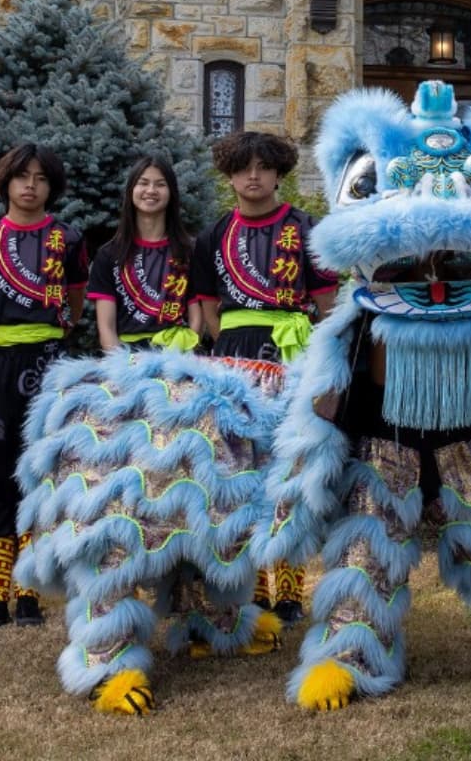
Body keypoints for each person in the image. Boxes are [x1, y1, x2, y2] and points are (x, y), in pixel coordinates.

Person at [190, 130, 337, 622]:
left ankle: (291, 589)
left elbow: (325, 304)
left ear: (278, 173)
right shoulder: (212, 236)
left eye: (263, 167)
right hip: (232, 361)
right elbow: (208, 308)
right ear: (229, 176)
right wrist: (231, 352)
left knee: (287, 467)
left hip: (292, 356)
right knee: (238, 466)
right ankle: (250, 585)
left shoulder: (304, 227)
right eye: (242, 168)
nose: (253, 177)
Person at [0, 143, 87, 631]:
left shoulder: (69, 239)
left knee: (42, 471)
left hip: (49, 362)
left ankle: (31, 592)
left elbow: (74, 305)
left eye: (41, 178)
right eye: (21, 176)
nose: (30, 185)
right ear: (5, 182)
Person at [89, 155, 200, 354]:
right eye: (143, 183)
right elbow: (106, 326)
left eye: (160, 184)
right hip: (127, 357)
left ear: (171, 192)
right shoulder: (109, 254)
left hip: (178, 354)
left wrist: (182, 359)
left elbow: (196, 317)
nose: (151, 191)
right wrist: (122, 366)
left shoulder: (189, 250)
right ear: (131, 190)